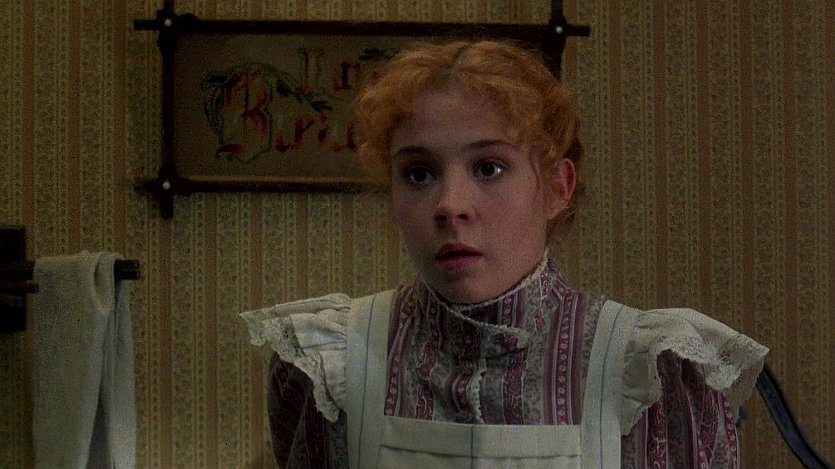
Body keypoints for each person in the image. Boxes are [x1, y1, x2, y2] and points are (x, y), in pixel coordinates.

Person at [241, 40, 768, 468]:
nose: (450, 206)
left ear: (558, 187)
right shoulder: (327, 368)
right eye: (418, 174)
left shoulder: (651, 375)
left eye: (489, 168)